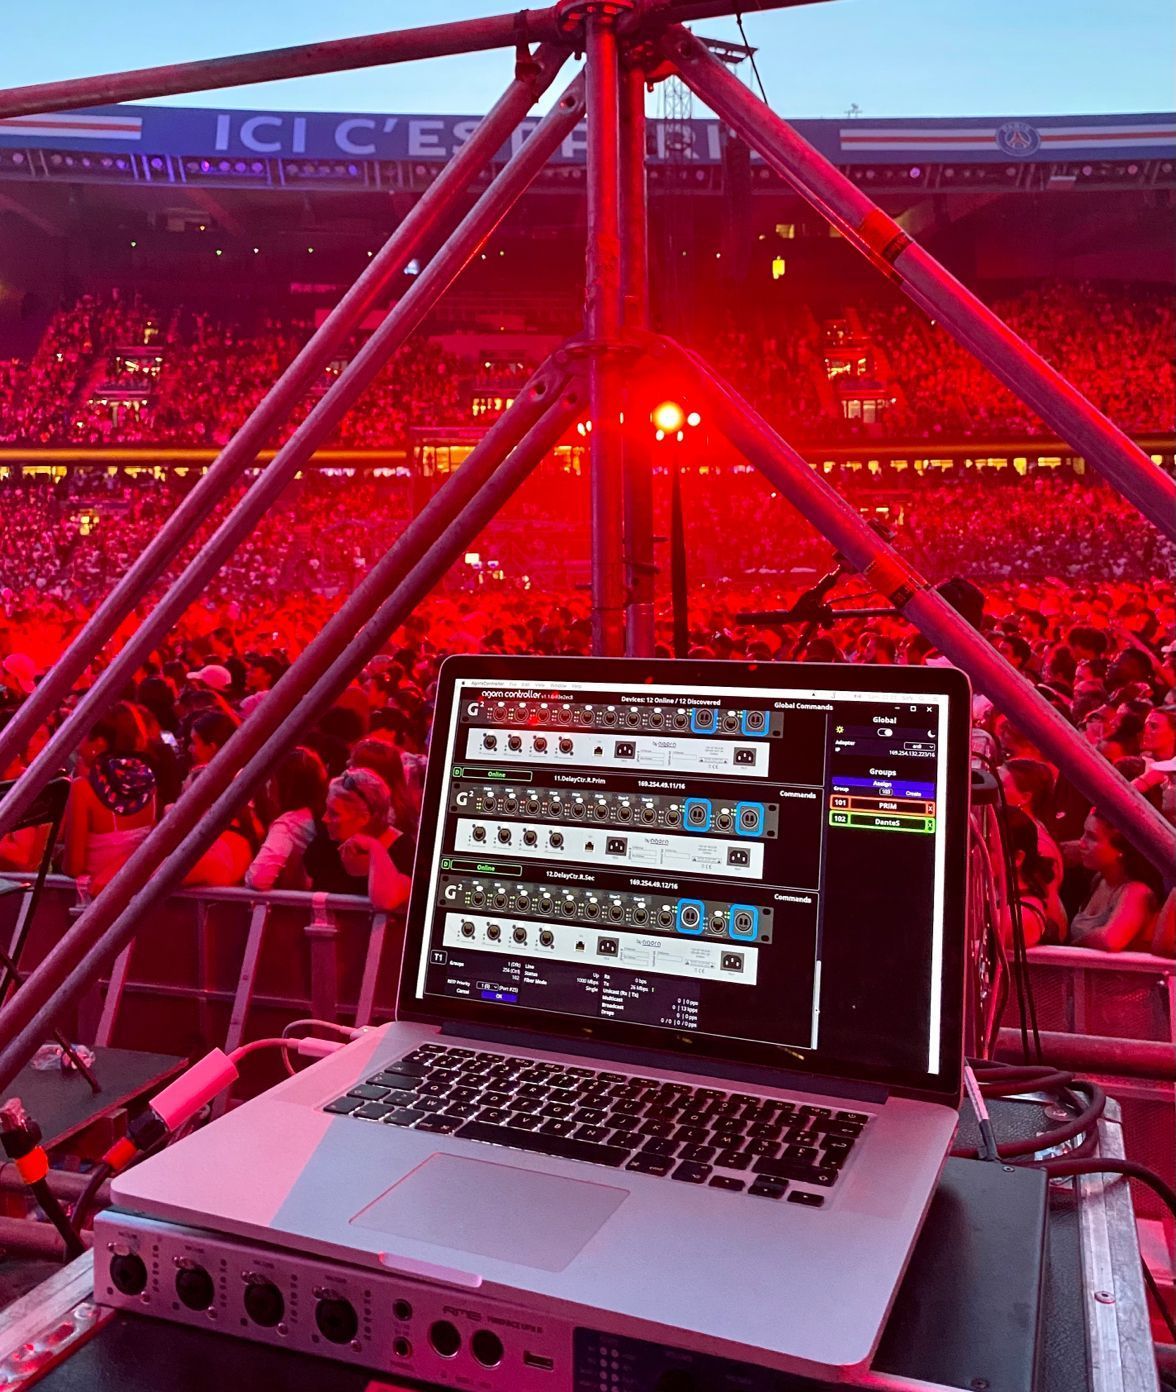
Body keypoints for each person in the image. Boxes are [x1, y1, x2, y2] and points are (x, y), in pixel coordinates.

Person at [63, 703, 158, 892]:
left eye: (83, 736)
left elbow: (74, 866)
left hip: (97, 899)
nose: (78, 746)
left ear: (99, 743)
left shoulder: (83, 789)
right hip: (139, 896)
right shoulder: (148, 782)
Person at [301, 767, 413, 911]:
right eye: (326, 809)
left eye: (334, 814)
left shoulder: (402, 849)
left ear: (364, 818)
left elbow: (386, 901)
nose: (325, 819)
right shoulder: (324, 844)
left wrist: (373, 847)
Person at [1069, 811, 1159, 952]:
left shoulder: (1137, 892)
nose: (1081, 843)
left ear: (1120, 849)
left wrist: (1076, 944)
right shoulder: (1099, 880)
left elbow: (1110, 941)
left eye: (1092, 837)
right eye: (1084, 833)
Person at [245, 747, 329, 891]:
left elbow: (258, 879)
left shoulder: (289, 823)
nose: (269, 785)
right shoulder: (331, 813)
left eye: (272, 779)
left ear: (284, 785)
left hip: (302, 902)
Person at [1001, 807, 1067, 946]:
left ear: (1017, 858)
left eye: (990, 848)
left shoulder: (1023, 916)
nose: (975, 853)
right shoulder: (996, 894)